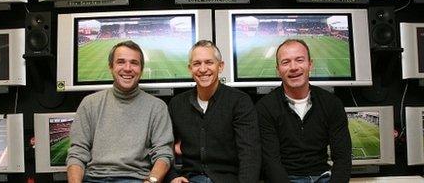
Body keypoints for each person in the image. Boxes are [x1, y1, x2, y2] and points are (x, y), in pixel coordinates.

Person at [66, 41, 174, 183]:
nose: (127, 68)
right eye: (121, 62)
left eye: (134, 63)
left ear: (141, 69)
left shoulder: (157, 107)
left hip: (137, 179)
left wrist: (152, 181)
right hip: (93, 178)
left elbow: (163, 153)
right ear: (111, 67)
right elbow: (77, 153)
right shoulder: (90, 103)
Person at [256, 39, 351, 183]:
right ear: (278, 70)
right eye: (286, 62)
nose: (293, 67)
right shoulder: (265, 107)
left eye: (299, 60)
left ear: (310, 64)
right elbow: (271, 163)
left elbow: (343, 158)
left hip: (323, 177)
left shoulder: (332, 104)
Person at [167, 40, 261, 183]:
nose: (203, 69)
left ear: (220, 66)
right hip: (190, 179)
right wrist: (172, 177)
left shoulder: (240, 101)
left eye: (209, 62)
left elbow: (249, 154)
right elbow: (165, 148)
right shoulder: (177, 104)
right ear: (190, 68)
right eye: (197, 63)